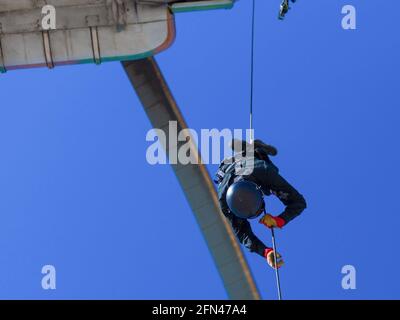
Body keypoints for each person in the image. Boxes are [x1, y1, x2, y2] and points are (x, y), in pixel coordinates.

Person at [214, 139, 306, 269]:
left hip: (239, 167)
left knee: (268, 177)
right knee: (263, 175)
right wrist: (266, 250)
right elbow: (243, 234)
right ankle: (252, 150)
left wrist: (279, 221)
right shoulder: (225, 204)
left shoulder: (264, 172)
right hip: (229, 166)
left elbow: (299, 202)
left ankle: (257, 150)